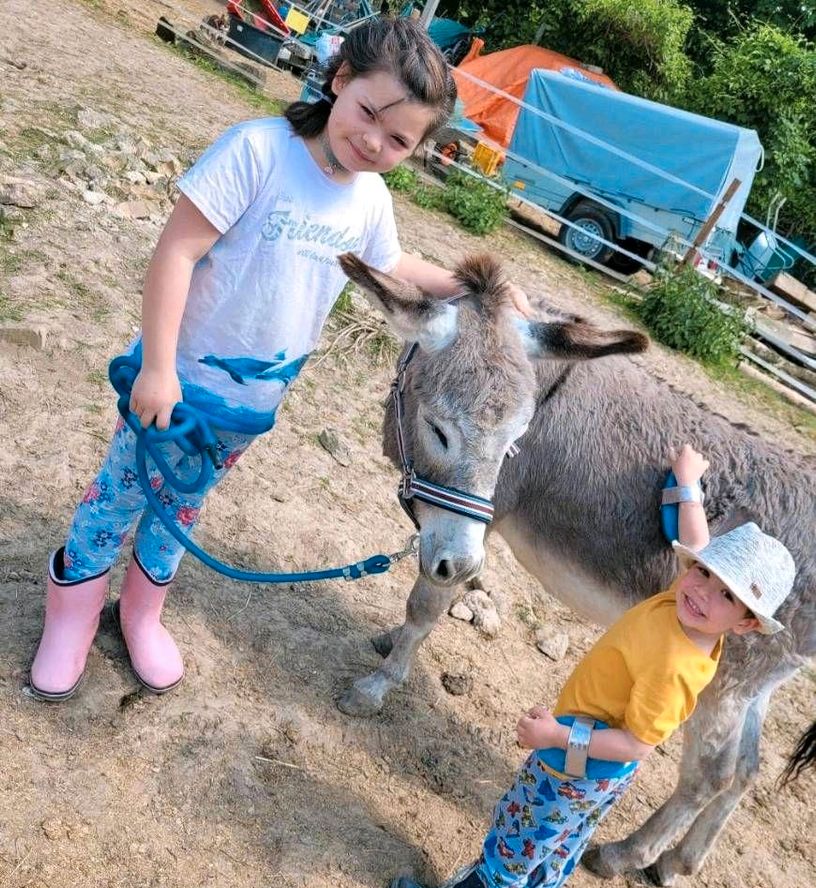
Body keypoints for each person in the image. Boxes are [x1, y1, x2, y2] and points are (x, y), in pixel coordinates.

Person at [29, 17, 532, 702]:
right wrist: (159, 368)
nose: (373, 143)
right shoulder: (257, 152)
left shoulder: (369, 199)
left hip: (247, 411)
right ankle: (72, 620)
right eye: (368, 116)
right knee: (116, 499)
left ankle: (141, 614)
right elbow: (176, 251)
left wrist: (480, 288)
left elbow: (391, 263)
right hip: (172, 390)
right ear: (340, 80)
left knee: (182, 509)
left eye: (398, 140)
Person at [388, 444, 797, 888]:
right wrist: (687, 483)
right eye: (704, 573)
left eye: (726, 595)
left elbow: (636, 744)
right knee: (559, 845)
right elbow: (693, 541)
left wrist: (557, 736)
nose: (702, 590)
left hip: (580, 759)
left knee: (521, 833)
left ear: (745, 624)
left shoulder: (675, 664)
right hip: (596, 771)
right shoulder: (690, 607)